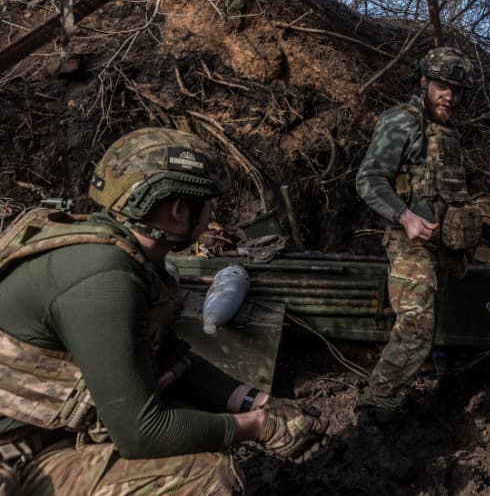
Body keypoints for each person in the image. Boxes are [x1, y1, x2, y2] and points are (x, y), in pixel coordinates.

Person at [0, 128, 327, 495]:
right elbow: (143, 433)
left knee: (187, 418)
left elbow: (167, 361)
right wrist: (258, 426)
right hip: (17, 457)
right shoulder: (105, 275)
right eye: (208, 205)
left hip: (42, 436)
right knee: (200, 477)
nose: (210, 217)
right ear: (178, 210)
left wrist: (259, 401)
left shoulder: (118, 254)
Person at [355, 47, 482, 430]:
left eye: (457, 90)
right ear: (424, 82)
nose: (450, 96)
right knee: (414, 329)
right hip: (411, 244)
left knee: (430, 326)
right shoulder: (402, 121)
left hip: (443, 248)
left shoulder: (447, 133)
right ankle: (376, 410)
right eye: (442, 86)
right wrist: (405, 216)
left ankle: (428, 389)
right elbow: (369, 179)